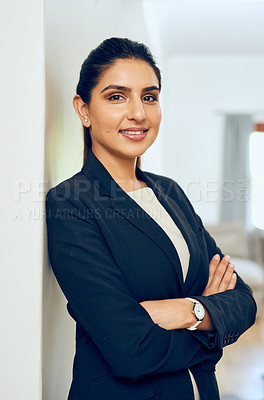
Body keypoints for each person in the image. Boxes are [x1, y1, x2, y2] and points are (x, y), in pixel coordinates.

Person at [45, 37, 256, 400]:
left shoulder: (169, 191)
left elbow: (243, 301)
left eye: (149, 96)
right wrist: (210, 324)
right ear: (83, 109)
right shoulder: (72, 203)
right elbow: (131, 350)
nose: (139, 113)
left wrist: (186, 311)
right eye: (116, 96)